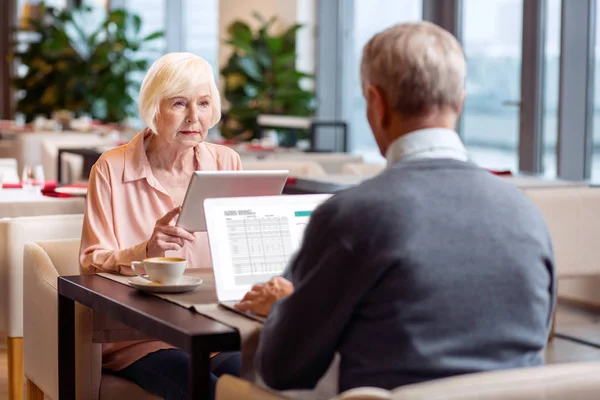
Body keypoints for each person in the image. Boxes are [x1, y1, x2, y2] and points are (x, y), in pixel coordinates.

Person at [235, 21, 556, 394]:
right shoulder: (527, 214)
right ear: (460, 103)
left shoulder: (353, 216)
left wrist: (283, 309)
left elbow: (283, 370)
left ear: (377, 102)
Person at [80, 52, 242, 399]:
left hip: (211, 328)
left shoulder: (226, 162)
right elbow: (91, 262)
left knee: (254, 383)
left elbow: (239, 249)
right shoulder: (111, 168)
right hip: (139, 337)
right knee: (206, 392)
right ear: (155, 108)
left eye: (203, 103)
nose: (194, 118)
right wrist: (146, 252)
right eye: (179, 103)